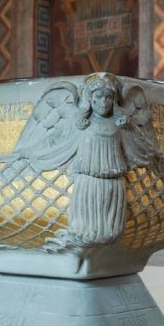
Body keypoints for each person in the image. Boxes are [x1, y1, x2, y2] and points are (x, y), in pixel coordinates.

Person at [68, 73, 129, 245]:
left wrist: (129, 127)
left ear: (114, 100)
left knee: (111, 227)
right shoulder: (83, 125)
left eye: (108, 97)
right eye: (99, 96)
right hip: (88, 182)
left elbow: (136, 149)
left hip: (113, 183)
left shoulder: (119, 124)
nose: (104, 102)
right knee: (85, 228)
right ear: (90, 99)